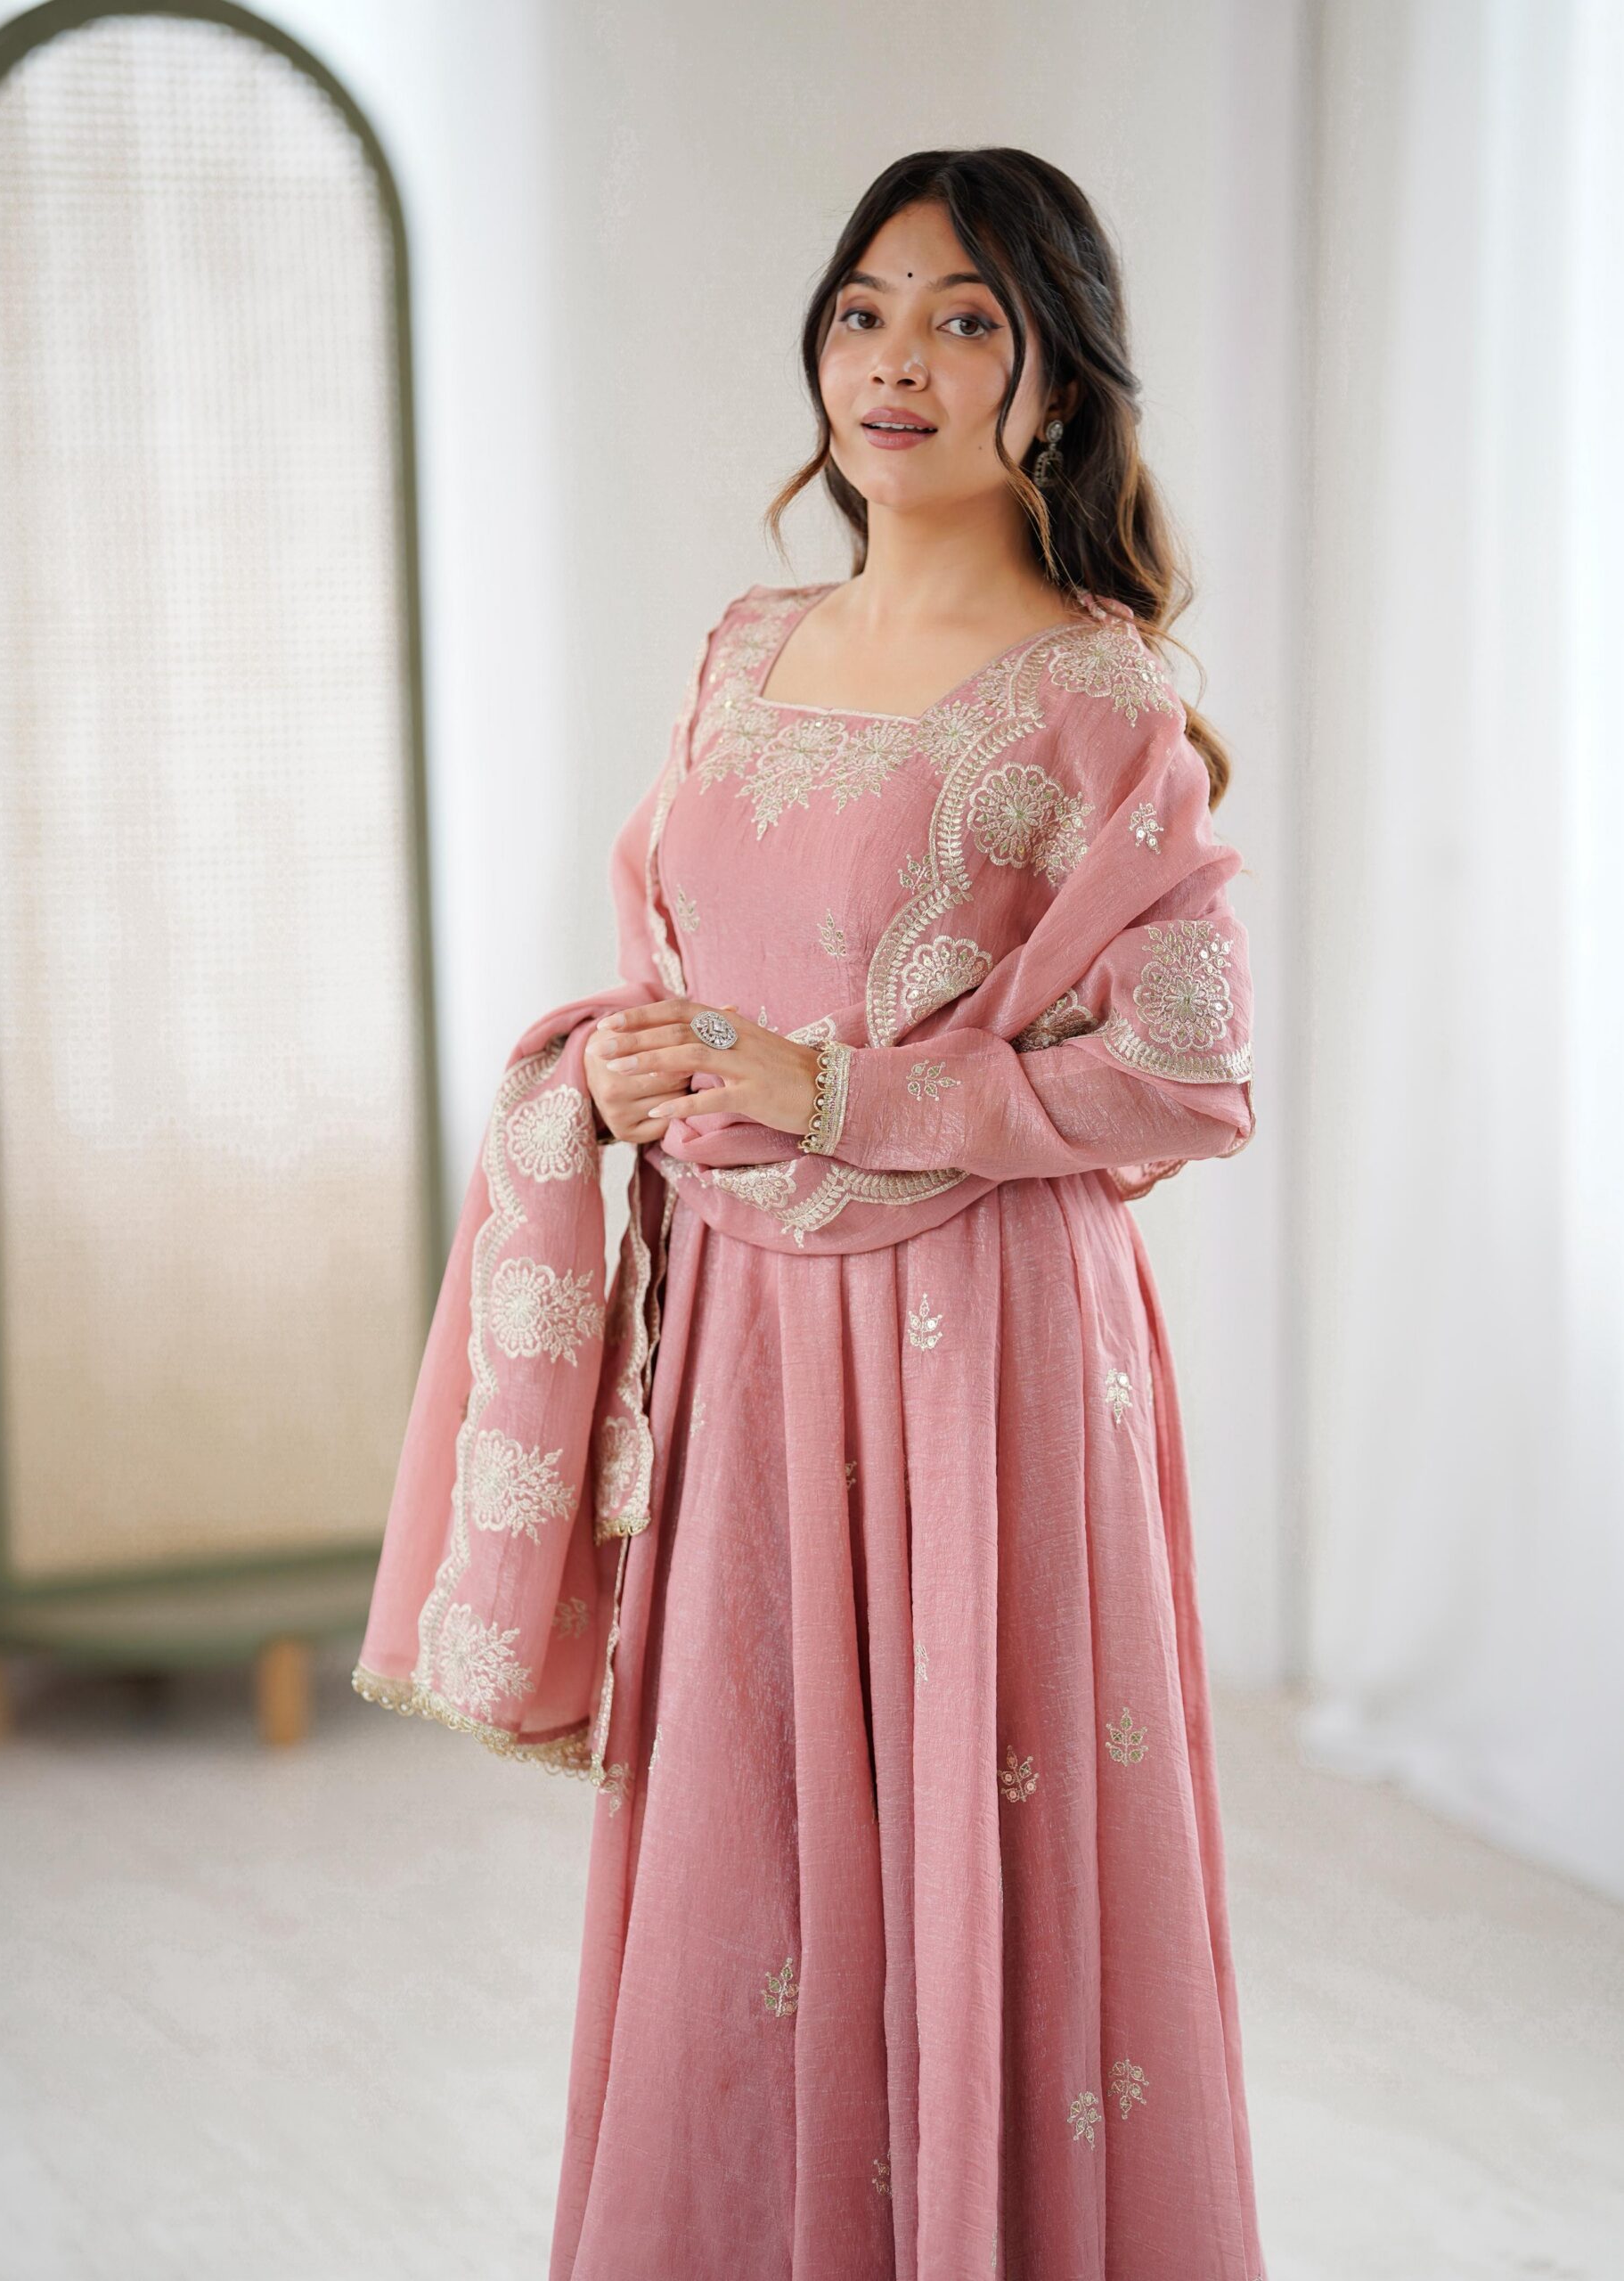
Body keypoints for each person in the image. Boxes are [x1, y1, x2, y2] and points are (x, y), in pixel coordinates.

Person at [354, 146, 1268, 2281]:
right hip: (751, 1338)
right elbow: (687, 973)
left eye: (966, 319)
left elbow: (1188, 1073)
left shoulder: (1100, 692)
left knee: (970, 1825)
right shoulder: (747, 646)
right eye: (865, 311)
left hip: (986, 1347)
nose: (898, 361)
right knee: (748, 1849)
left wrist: (844, 1089)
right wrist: (617, 1072)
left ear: (1058, 381)